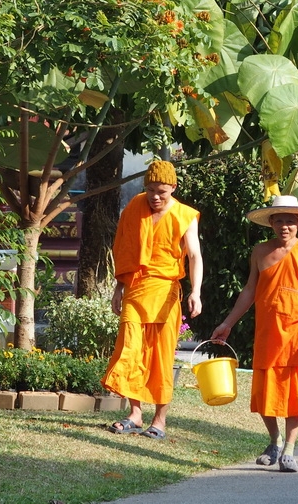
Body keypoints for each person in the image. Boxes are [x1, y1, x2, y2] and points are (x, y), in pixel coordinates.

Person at [210, 194, 298, 472]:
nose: (285, 226)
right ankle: (274, 441)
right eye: (279, 221)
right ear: (271, 224)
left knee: (294, 391)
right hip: (267, 330)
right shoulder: (260, 251)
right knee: (264, 388)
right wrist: (227, 323)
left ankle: (289, 449)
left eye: (290, 221)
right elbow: (250, 291)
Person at [102, 160, 203, 440]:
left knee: (160, 356)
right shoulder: (135, 206)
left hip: (165, 291)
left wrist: (195, 291)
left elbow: (194, 255)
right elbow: (125, 249)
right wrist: (118, 289)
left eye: (161, 191)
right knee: (130, 349)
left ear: (173, 187)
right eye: (150, 190)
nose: (155, 197)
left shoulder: (185, 215)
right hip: (135, 287)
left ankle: (160, 420)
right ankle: (135, 413)